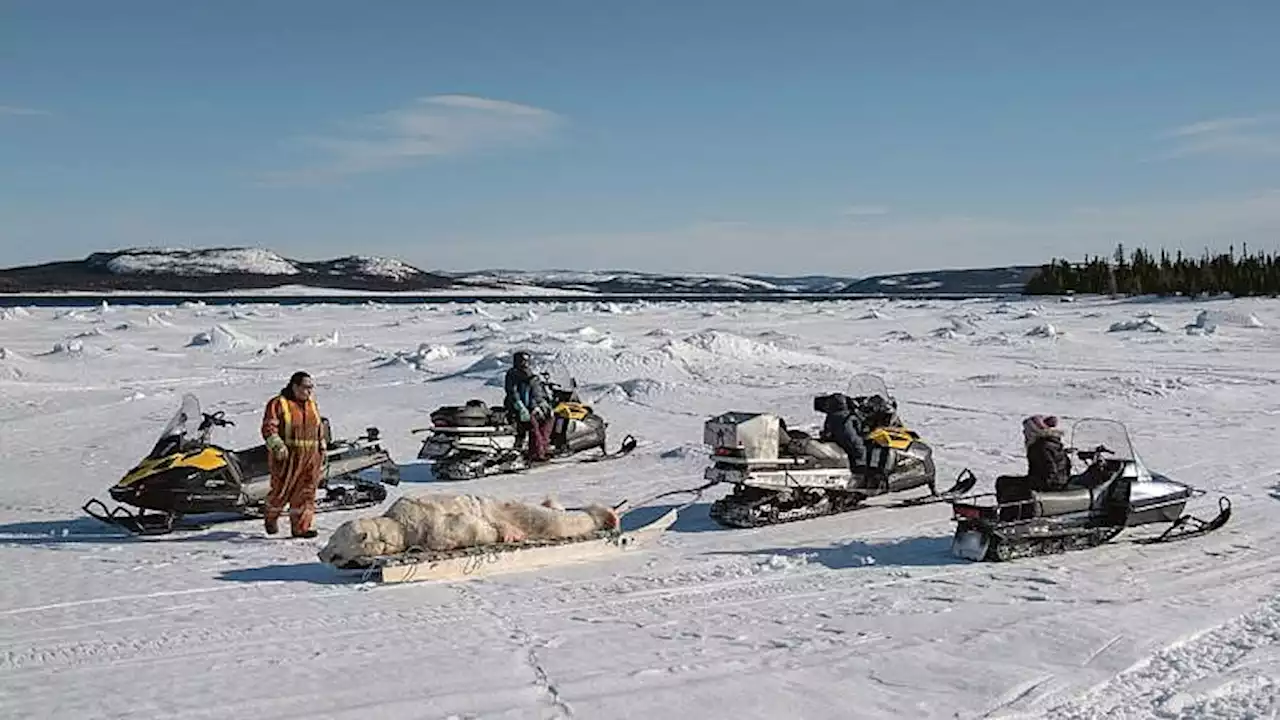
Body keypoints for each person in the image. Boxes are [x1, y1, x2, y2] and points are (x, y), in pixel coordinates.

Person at [261, 371, 326, 538]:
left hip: (310, 456)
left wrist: (322, 446)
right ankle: (270, 517)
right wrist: (277, 445)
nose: (309, 391)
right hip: (287, 457)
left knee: (306, 492)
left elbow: (318, 427)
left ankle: (301, 528)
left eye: (311, 387)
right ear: (294, 386)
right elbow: (269, 427)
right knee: (281, 492)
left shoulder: (312, 404)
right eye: (305, 387)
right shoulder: (278, 404)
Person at [995, 415, 1072, 520]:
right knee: (1005, 482)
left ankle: (1009, 517)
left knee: (1006, 485)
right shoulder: (1054, 442)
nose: (1024, 433)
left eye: (1026, 430)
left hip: (1048, 484)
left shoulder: (1040, 447)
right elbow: (1067, 465)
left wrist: (1036, 483)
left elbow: (1050, 472)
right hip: (1060, 482)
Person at [503, 351, 553, 462]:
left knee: (547, 421)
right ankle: (536, 453)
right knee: (533, 426)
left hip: (532, 405)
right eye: (522, 360)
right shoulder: (513, 374)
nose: (525, 363)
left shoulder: (529, 373)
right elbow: (512, 392)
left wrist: (542, 403)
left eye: (526, 360)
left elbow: (535, 390)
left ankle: (544, 447)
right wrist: (520, 406)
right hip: (519, 407)